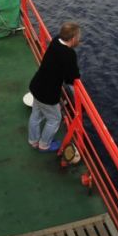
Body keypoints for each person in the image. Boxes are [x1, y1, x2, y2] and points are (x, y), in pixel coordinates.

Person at [28, 21, 81, 152]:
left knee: (36, 114)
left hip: (36, 85)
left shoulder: (56, 41)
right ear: (73, 38)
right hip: (48, 94)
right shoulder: (69, 54)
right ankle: (44, 145)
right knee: (54, 119)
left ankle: (33, 140)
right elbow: (72, 77)